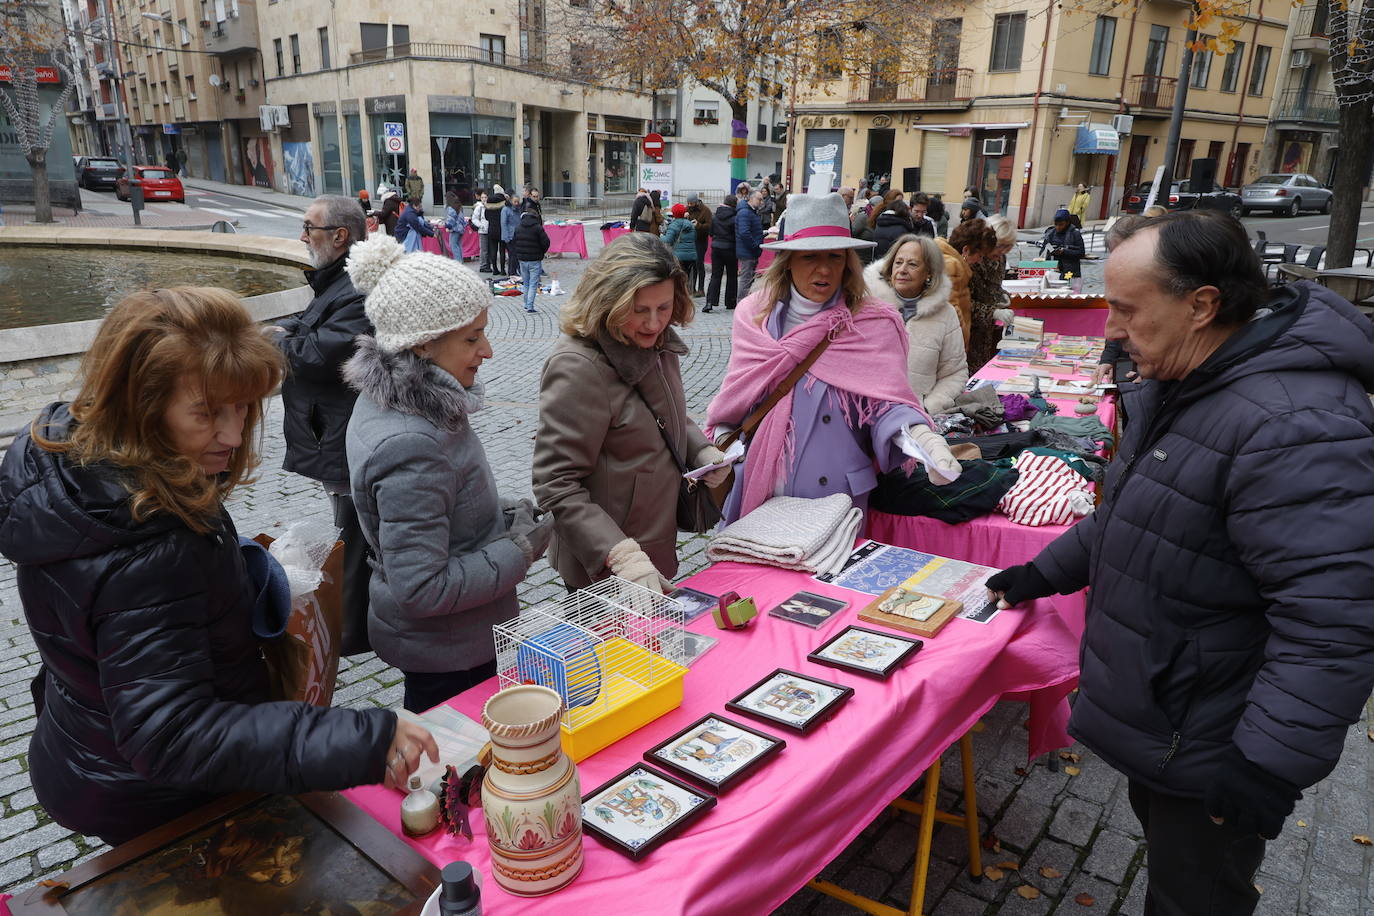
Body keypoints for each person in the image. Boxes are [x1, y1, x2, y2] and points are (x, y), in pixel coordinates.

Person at [986, 209, 1374, 916]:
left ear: (1202, 305)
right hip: (1172, 718)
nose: (1109, 328)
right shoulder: (1191, 380)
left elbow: (1333, 616)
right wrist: (1044, 573)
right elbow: (1139, 514)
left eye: (1127, 309)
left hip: (1214, 743)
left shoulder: (1292, 424)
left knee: (1194, 897)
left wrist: (1267, 765)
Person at [0, 287, 436, 845]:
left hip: (87, 749)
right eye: (207, 413)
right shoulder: (148, 540)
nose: (232, 435)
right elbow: (173, 733)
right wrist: (364, 739)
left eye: (243, 409)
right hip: (156, 799)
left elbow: (109, 626)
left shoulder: (75, 471)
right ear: (140, 406)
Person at [343, 236, 554, 713]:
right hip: (451, 652)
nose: (488, 351)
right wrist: (518, 549)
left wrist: (497, 513)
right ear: (423, 344)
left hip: (450, 640)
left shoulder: (404, 403)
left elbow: (436, 510)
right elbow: (422, 586)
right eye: (472, 337)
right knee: (457, 762)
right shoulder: (412, 442)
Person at [706, 193, 962, 524]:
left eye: (835, 256)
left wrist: (922, 439)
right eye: (810, 256)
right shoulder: (754, 316)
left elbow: (887, 402)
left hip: (836, 499)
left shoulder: (875, 322)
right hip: (762, 489)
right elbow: (737, 396)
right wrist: (718, 449)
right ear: (788, 261)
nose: (825, 269)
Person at [532, 232, 727, 591]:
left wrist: (701, 450)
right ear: (609, 302)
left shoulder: (658, 345)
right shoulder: (578, 367)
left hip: (653, 544)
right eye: (639, 311)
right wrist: (620, 554)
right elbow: (555, 483)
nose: (654, 323)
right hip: (607, 562)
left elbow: (666, 415)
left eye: (664, 307)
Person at [272, 195, 375, 656]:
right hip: (332, 429)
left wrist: (281, 340)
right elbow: (311, 325)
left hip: (343, 432)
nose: (302, 236)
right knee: (349, 528)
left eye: (309, 227)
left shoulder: (356, 286)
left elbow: (317, 353)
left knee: (351, 537)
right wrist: (290, 331)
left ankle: (350, 634)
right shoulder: (338, 281)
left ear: (340, 235)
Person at [864, 233, 967, 414]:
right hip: (865, 417)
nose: (902, 269)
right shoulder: (867, 306)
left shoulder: (945, 314)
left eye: (912, 264)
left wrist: (929, 407)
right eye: (898, 262)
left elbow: (954, 373)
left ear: (929, 273)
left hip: (916, 420)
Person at [966, 215, 1019, 373]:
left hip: (986, 333)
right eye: (999, 246)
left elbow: (993, 287)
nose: (1002, 251)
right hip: (969, 331)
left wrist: (1002, 296)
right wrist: (993, 312)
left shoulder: (1000, 259)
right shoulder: (971, 259)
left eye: (1007, 246)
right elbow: (962, 302)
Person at [938, 218, 999, 348]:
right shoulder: (952, 267)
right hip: (948, 346)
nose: (979, 261)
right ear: (966, 250)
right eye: (980, 255)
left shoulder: (953, 263)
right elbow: (952, 316)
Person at [511, 207, 551, 313]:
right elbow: (546, 242)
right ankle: (530, 306)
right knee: (533, 283)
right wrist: (541, 252)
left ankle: (526, 304)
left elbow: (514, 242)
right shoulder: (537, 228)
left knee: (526, 283)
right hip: (534, 259)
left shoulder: (519, 227)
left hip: (522, 259)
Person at [706, 194, 738, 313]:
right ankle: (730, 302)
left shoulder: (715, 216)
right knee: (731, 276)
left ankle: (710, 302)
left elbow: (711, 233)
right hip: (730, 248)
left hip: (716, 248)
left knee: (715, 275)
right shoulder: (735, 218)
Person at [735, 189, 765, 303]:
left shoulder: (752, 212)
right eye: (759, 199)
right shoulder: (745, 213)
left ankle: (745, 303)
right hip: (748, 251)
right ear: (751, 199)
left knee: (749, 279)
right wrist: (755, 245)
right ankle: (741, 304)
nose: (761, 202)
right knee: (746, 280)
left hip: (750, 251)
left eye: (762, 200)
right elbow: (744, 233)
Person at [1042, 208, 1085, 280]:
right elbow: (1043, 251)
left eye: (1061, 224)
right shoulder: (1050, 234)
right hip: (1054, 270)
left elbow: (1081, 252)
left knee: (1067, 287)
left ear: (1067, 223)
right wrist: (1051, 252)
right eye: (1056, 224)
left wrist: (1064, 251)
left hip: (1070, 271)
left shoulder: (1075, 233)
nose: (1058, 227)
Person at [686, 194, 712, 297]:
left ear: (696, 202)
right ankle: (692, 288)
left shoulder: (705, 210)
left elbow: (709, 226)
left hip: (701, 240)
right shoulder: (687, 210)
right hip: (691, 240)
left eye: (691, 203)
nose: (689, 205)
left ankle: (701, 289)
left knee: (699, 263)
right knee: (692, 265)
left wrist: (698, 225)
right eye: (688, 203)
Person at [663, 202, 698, 279]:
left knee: (678, 279)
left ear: (674, 213)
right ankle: (687, 290)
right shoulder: (690, 224)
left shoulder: (674, 225)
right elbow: (695, 237)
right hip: (691, 257)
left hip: (678, 257)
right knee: (687, 278)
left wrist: (661, 236)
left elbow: (667, 241)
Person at [485, 184, 508, 274]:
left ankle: (494, 269)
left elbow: (486, 217)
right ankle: (502, 270)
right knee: (502, 250)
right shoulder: (504, 203)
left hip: (491, 229)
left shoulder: (489, 202)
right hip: (502, 229)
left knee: (493, 250)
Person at [471, 189, 492, 272]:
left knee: (490, 249)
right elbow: (474, 218)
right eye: (482, 197)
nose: (484, 199)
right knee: (484, 250)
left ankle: (488, 265)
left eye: (485, 197)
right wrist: (481, 226)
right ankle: (483, 265)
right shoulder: (479, 207)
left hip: (490, 230)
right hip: (483, 231)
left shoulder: (490, 206)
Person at [501, 195, 521, 275]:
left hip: (518, 235)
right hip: (510, 235)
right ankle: (512, 272)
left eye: (517, 201)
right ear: (511, 201)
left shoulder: (518, 210)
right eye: (515, 201)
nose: (516, 203)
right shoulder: (505, 210)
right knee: (512, 255)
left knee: (516, 255)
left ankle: (515, 271)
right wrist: (506, 237)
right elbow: (503, 224)